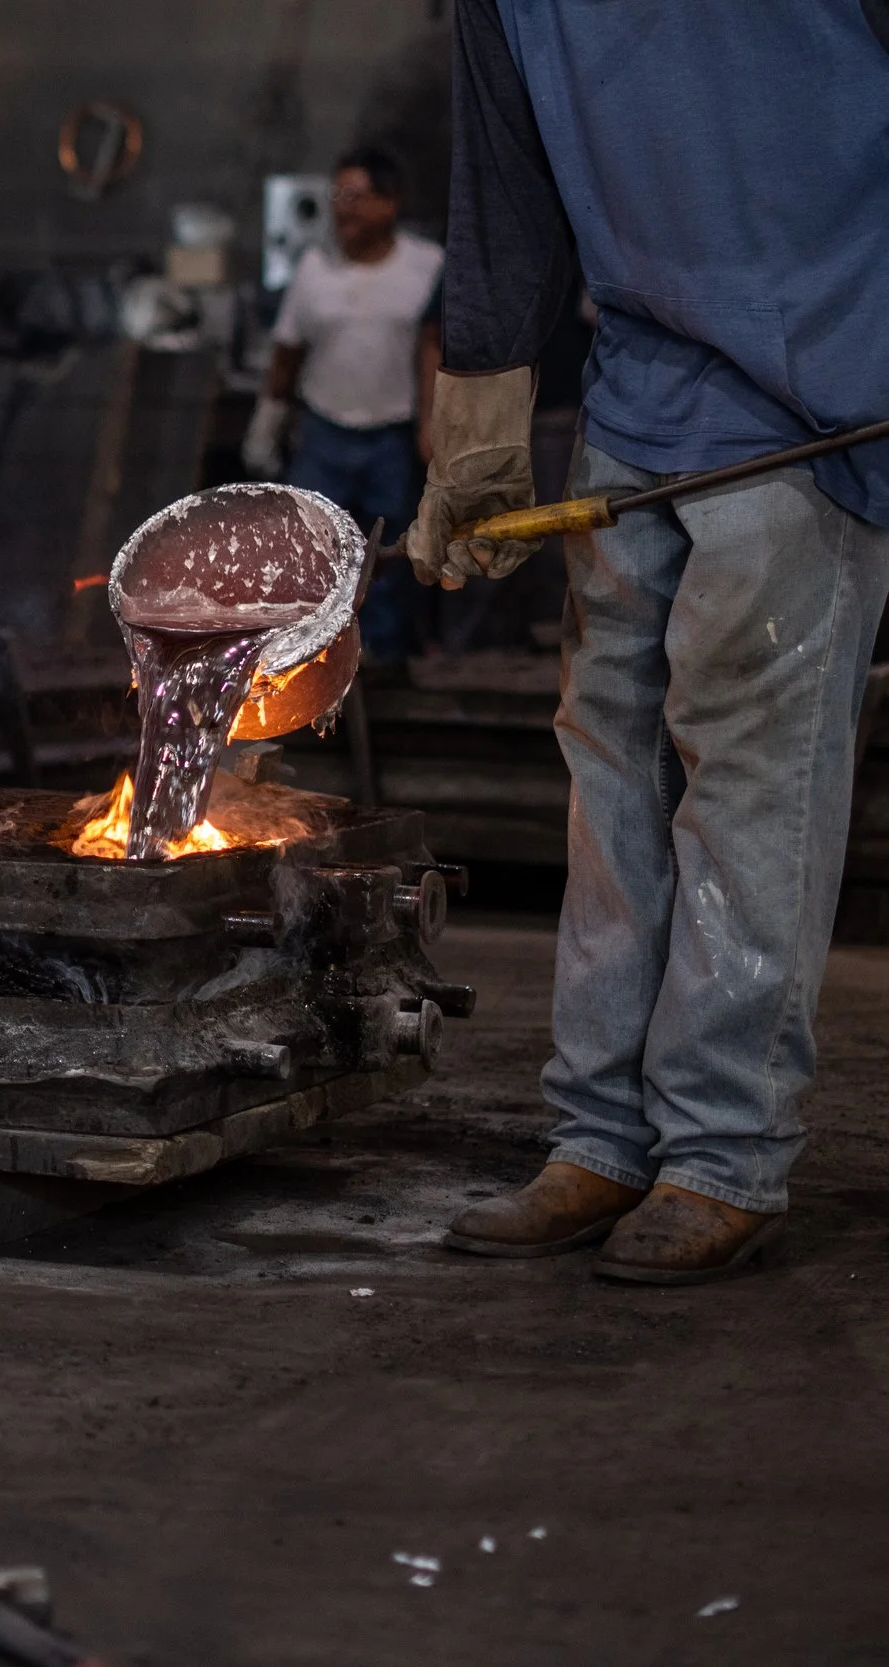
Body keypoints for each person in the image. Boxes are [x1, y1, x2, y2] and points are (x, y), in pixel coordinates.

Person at [415, 0, 889, 1282]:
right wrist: (478, 424)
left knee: (748, 771)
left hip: (822, 388)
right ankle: (601, 1135)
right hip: (635, 391)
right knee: (608, 754)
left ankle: (721, 1153)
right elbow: (501, 182)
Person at [244, 146, 442, 667]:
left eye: (356, 197)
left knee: (390, 554)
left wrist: (434, 425)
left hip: (392, 436)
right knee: (315, 551)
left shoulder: (426, 266)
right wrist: (266, 425)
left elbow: (437, 350)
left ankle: (380, 662)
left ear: (390, 202)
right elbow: (287, 353)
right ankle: (311, 662)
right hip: (324, 431)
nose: (342, 209)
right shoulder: (314, 268)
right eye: (337, 196)